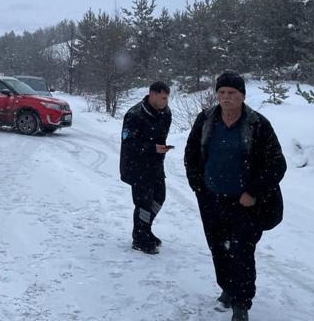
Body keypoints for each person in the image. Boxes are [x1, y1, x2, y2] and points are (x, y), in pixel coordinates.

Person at [184, 72, 286, 321]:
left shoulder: (257, 124)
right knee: (218, 247)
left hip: (244, 203)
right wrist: (198, 185)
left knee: (241, 250)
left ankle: (241, 302)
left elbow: (277, 164)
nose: (226, 98)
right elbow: (191, 154)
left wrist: (253, 192)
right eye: (222, 93)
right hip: (211, 198)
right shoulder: (206, 119)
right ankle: (227, 288)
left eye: (232, 93)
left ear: (242, 96)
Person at [119, 81, 173, 254]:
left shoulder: (166, 112)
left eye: (167, 98)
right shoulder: (134, 114)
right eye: (163, 98)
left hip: (156, 164)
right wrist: (151, 148)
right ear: (152, 94)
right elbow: (128, 141)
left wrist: (161, 149)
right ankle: (139, 238)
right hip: (136, 165)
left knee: (159, 198)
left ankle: (146, 229)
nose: (165, 101)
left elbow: (161, 136)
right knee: (143, 203)